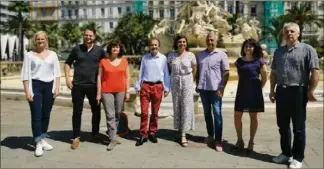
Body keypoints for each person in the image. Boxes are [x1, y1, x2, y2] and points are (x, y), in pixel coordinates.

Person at [270, 22, 320, 169]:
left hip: (298, 91)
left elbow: (315, 71)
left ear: (298, 34)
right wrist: (272, 90)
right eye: (286, 32)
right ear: (283, 34)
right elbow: (273, 73)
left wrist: (310, 91)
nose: (289, 34)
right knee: (283, 125)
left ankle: (298, 157)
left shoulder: (307, 49)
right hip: (282, 91)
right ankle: (286, 153)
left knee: (298, 127)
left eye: (292, 31)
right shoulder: (278, 52)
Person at [21, 31, 61, 157]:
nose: (40, 41)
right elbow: (25, 74)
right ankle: (37, 142)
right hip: (35, 86)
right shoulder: (29, 55)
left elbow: (57, 73)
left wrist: (57, 87)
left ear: (46, 40)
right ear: (35, 41)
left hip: (49, 86)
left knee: (46, 114)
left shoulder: (53, 54)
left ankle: (43, 137)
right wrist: (27, 91)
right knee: (36, 115)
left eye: (42, 39)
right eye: (38, 39)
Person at [64, 28, 106, 150]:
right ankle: (76, 137)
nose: (88, 37)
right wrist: (67, 77)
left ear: (94, 36)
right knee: (77, 111)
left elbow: (106, 65)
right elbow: (67, 63)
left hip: (93, 86)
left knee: (96, 111)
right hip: (77, 86)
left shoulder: (100, 50)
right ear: (83, 36)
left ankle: (95, 134)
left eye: (90, 35)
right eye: (86, 35)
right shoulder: (76, 49)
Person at [232, 38, 267, 152]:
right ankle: (239, 140)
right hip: (241, 90)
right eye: (246, 46)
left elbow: (264, 76)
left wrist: (258, 87)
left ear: (254, 48)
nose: (248, 48)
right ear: (243, 48)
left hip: (254, 91)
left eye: (250, 46)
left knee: (253, 116)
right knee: (237, 115)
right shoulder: (239, 61)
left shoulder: (259, 61)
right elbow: (240, 76)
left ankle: (251, 141)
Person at [196, 32, 230, 152]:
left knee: (217, 114)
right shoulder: (200, 54)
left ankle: (218, 140)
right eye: (208, 40)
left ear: (216, 41)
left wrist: (222, 88)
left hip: (216, 90)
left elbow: (226, 72)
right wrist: (197, 85)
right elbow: (198, 71)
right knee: (206, 113)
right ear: (206, 41)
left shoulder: (221, 54)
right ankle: (210, 135)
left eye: (212, 40)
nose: (210, 42)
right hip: (204, 89)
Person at [135, 37, 171, 146]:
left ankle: (152, 132)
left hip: (157, 86)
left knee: (155, 113)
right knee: (144, 112)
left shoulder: (163, 58)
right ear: (149, 46)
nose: (154, 47)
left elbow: (166, 74)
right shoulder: (145, 58)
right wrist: (138, 86)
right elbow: (141, 72)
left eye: (155, 45)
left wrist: (167, 88)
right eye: (152, 45)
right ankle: (142, 134)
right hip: (146, 86)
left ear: (158, 46)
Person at [96, 41, 130, 151]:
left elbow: (127, 77)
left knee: (117, 114)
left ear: (120, 49)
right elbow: (99, 78)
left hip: (120, 91)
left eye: (117, 47)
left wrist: (128, 91)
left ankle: (113, 135)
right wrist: (98, 93)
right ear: (110, 49)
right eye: (113, 47)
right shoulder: (103, 61)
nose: (115, 49)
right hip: (106, 91)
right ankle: (112, 139)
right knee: (110, 115)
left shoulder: (124, 61)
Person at [167, 35, 197, 147]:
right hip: (175, 81)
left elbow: (194, 68)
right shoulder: (171, 56)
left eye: (184, 42)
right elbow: (169, 69)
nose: (182, 44)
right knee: (177, 106)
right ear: (176, 43)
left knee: (186, 106)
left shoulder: (191, 55)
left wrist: (191, 80)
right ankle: (179, 131)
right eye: (180, 42)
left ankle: (184, 134)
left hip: (187, 81)